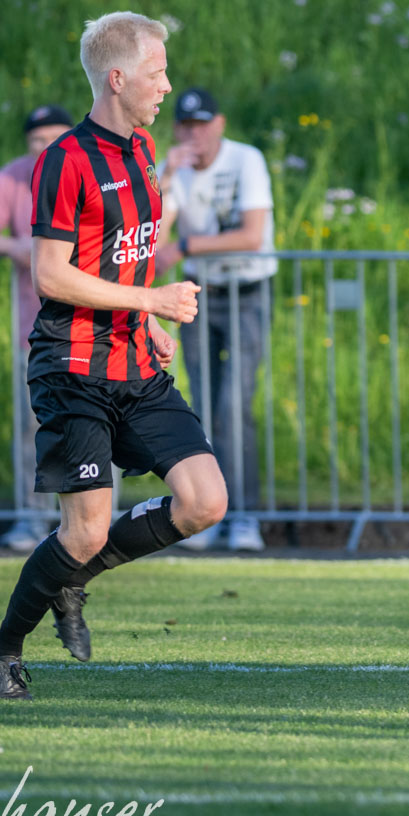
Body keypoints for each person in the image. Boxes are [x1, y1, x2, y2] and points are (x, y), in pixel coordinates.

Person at [0, 11, 228, 701]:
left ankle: (73, 577)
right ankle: (1, 650)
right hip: (73, 369)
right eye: (156, 73)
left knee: (205, 501)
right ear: (117, 79)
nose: (167, 86)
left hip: (135, 363)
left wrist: (144, 319)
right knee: (81, 532)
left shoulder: (142, 149)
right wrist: (150, 301)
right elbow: (51, 274)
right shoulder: (65, 160)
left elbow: (123, 252)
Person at [158, 86, 275, 554]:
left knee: (234, 406)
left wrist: (187, 246)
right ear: (176, 130)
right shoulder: (174, 171)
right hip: (199, 294)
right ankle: (206, 514)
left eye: (202, 124)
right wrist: (167, 177)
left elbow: (252, 235)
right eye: (186, 126)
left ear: (220, 125)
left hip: (247, 291)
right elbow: (155, 239)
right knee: (203, 407)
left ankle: (244, 515)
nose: (195, 134)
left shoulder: (246, 160)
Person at [0, 103, 75, 553]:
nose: (46, 147)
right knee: (35, 426)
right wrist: (25, 250)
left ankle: (95, 523)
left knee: (96, 427)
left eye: (55, 138)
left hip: (95, 326)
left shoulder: (90, 173)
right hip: (36, 330)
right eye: (37, 140)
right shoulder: (13, 178)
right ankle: (33, 519)